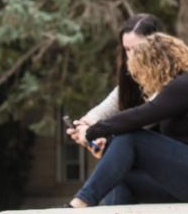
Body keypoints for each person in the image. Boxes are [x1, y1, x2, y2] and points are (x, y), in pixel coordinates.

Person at [67, 33, 188, 207]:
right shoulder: (187, 85)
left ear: (154, 65)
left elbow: (140, 116)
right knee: (117, 176)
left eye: (141, 73)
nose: (142, 81)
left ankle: (79, 204)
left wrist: (91, 132)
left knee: (130, 137)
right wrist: (107, 144)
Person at [66, 14, 164, 157]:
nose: (131, 57)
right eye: (127, 49)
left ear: (157, 47)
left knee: (126, 139)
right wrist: (84, 127)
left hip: (176, 160)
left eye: (137, 49)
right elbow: (101, 111)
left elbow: (142, 120)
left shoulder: (171, 81)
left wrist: (98, 133)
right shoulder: (133, 82)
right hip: (146, 160)